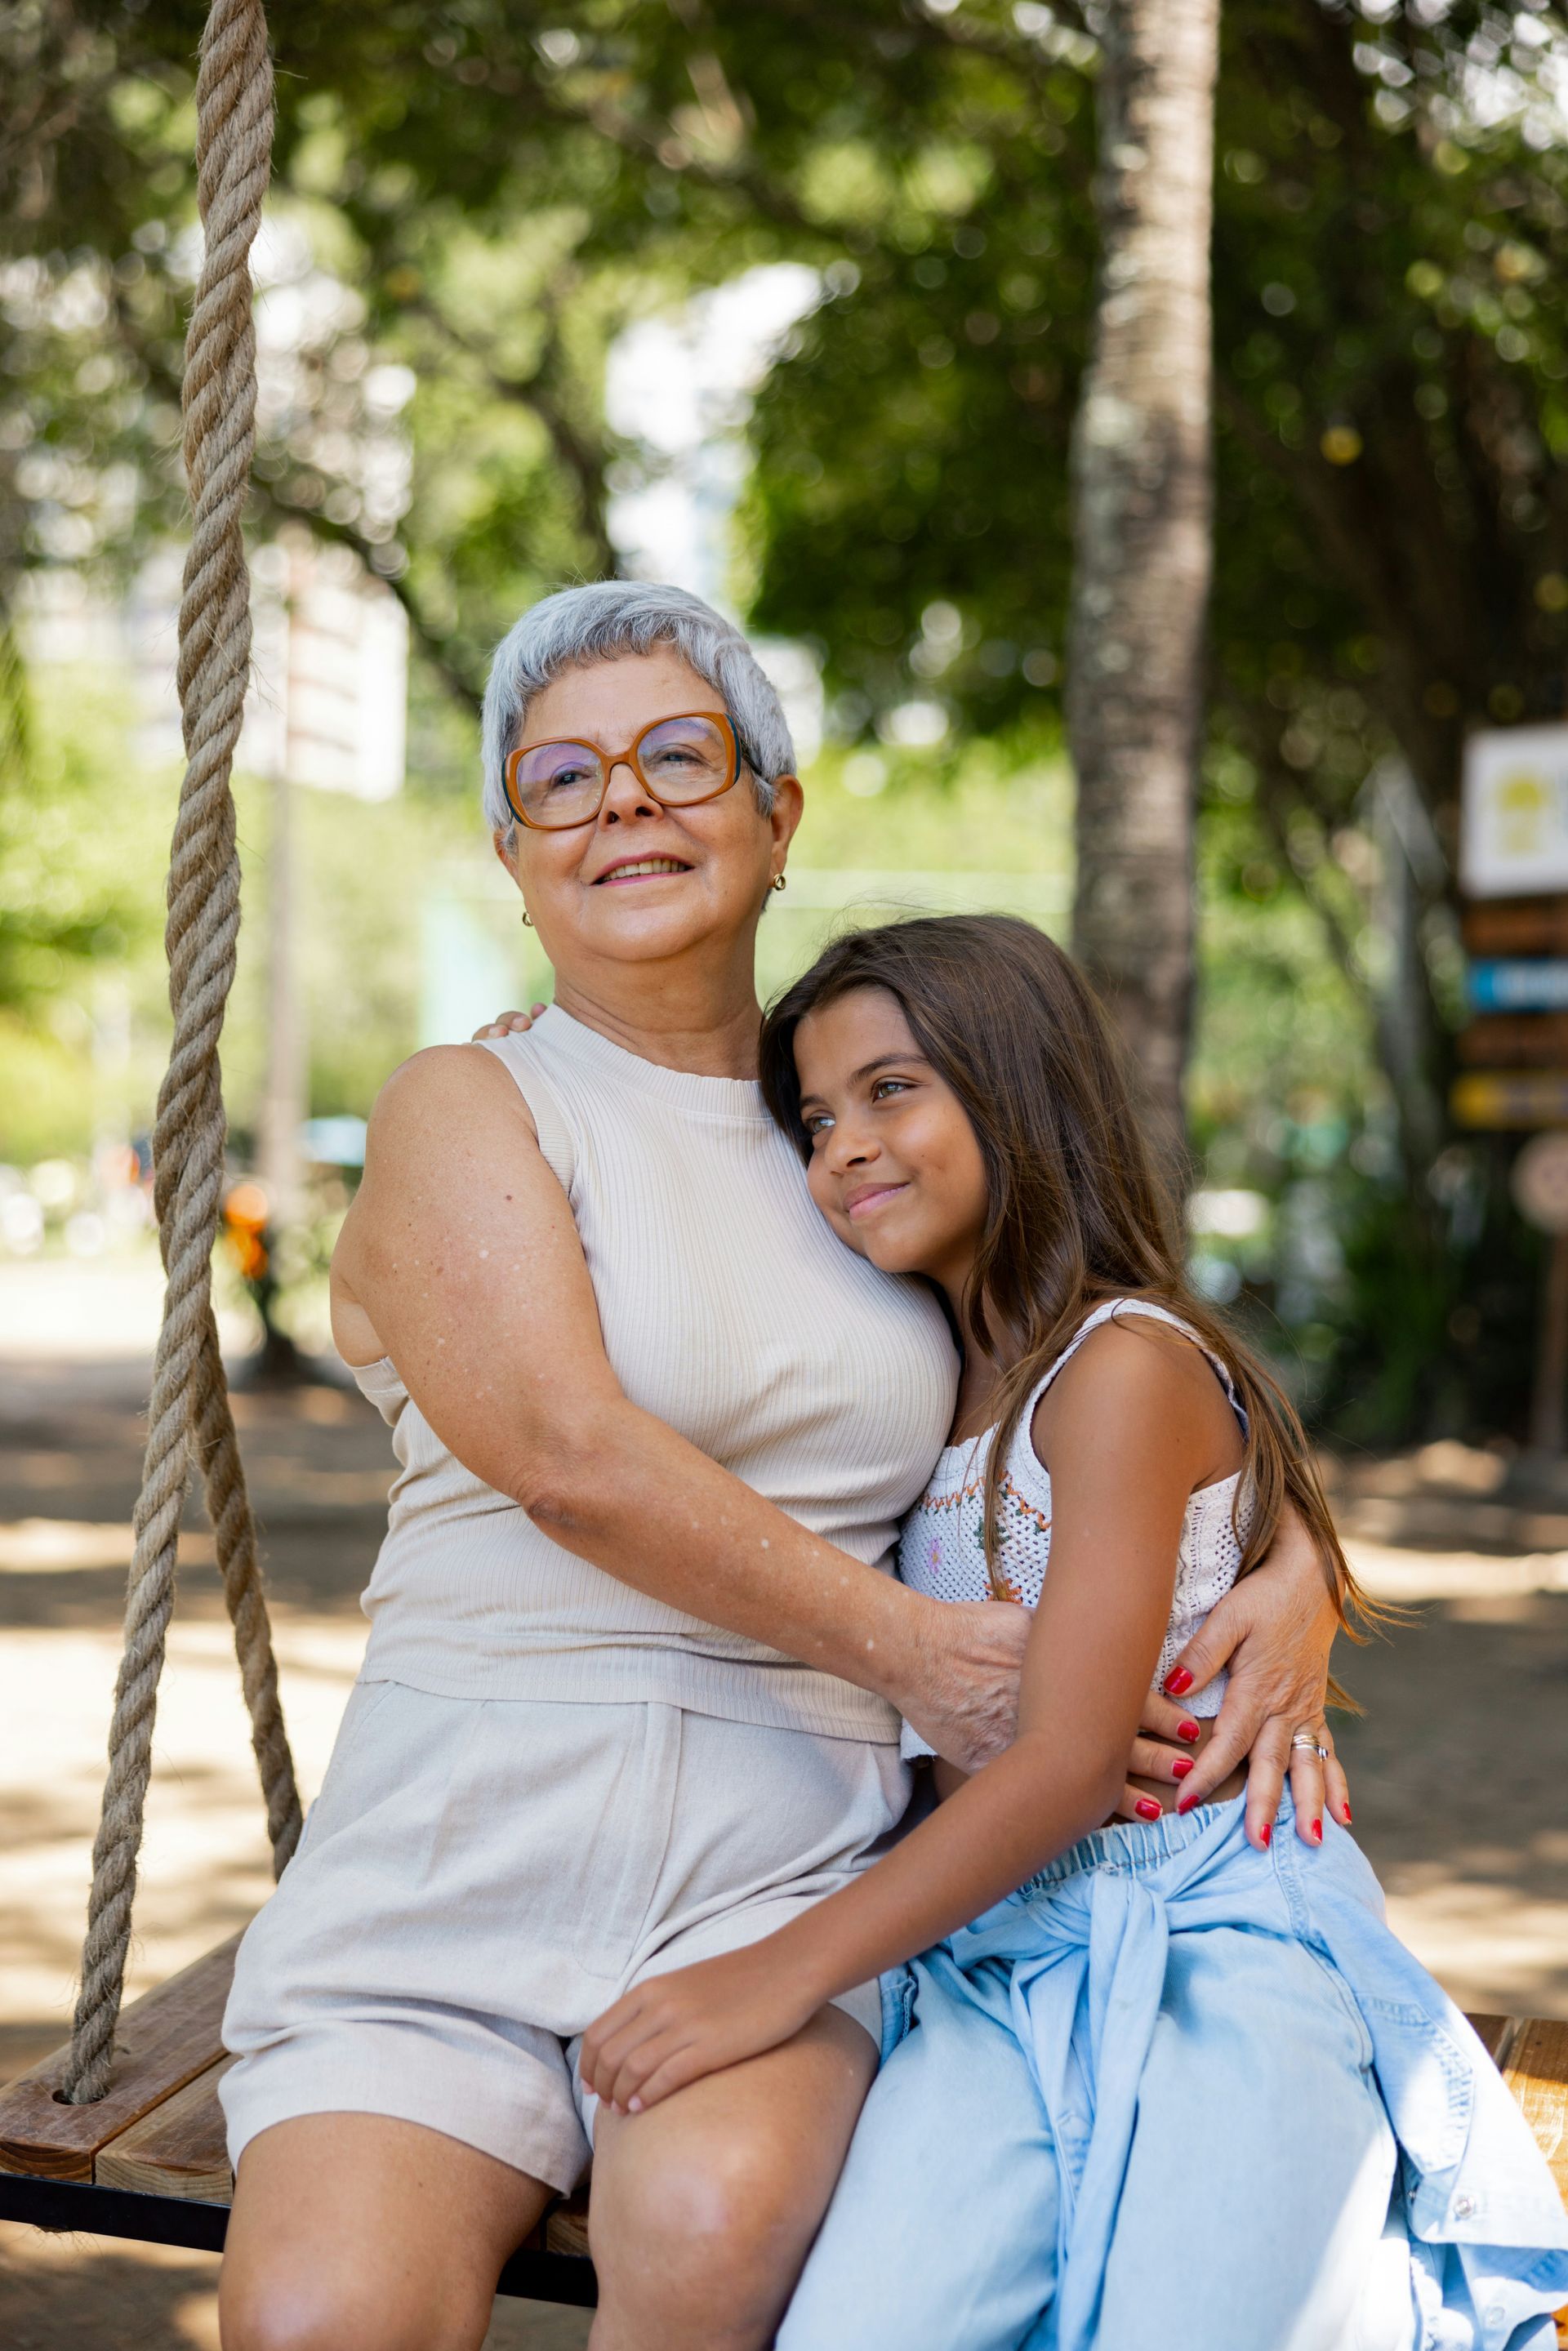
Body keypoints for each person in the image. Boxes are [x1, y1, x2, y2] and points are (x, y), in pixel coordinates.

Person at [217, 584, 1348, 2351]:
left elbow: (1092, 1379)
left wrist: (1292, 1581)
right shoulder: (471, 1105)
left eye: (681, 758)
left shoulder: (859, 1132)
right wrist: (925, 1660)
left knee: (719, 2227)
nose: (627, 807)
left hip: (783, 1867)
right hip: (460, 1842)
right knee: (320, 2321)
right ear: (513, 855)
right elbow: (569, 1457)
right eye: (564, 781)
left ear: (777, 811)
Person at [577, 914, 1568, 2351]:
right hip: (992, 1949)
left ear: (1018, 1086)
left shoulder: (1120, 1366)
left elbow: (1067, 1760)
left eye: (894, 1089)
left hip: (1213, 1928)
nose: (844, 1143)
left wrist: (772, 1977)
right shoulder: (919, 1368)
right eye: (815, 1116)